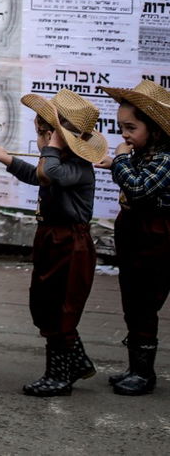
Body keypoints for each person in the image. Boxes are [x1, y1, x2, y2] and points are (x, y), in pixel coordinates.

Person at [0, 89, 103, 396]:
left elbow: (48, 172)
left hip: (71, 244)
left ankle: (58, 376)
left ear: (58, 138)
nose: (40, 141)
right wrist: (6, 159)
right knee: (46, 303)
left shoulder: (75, 167)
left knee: (62, 308)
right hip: (51, 239)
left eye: (44, 134)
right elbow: (38, 175)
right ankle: (77, 363)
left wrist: (53, 144)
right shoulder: (56, 162)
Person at [99, 79, 170, 396]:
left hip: (157, 236)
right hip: (134, 234)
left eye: (130, 128)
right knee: (132, 300)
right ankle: (135, 367)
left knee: (144, 301)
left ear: (153, 128)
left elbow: (139, 190)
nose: (124, 135)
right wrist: (121, 163)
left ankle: (143, 374)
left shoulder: (165, 158)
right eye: (121, 128)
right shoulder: (142, 154)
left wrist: (119, 161)